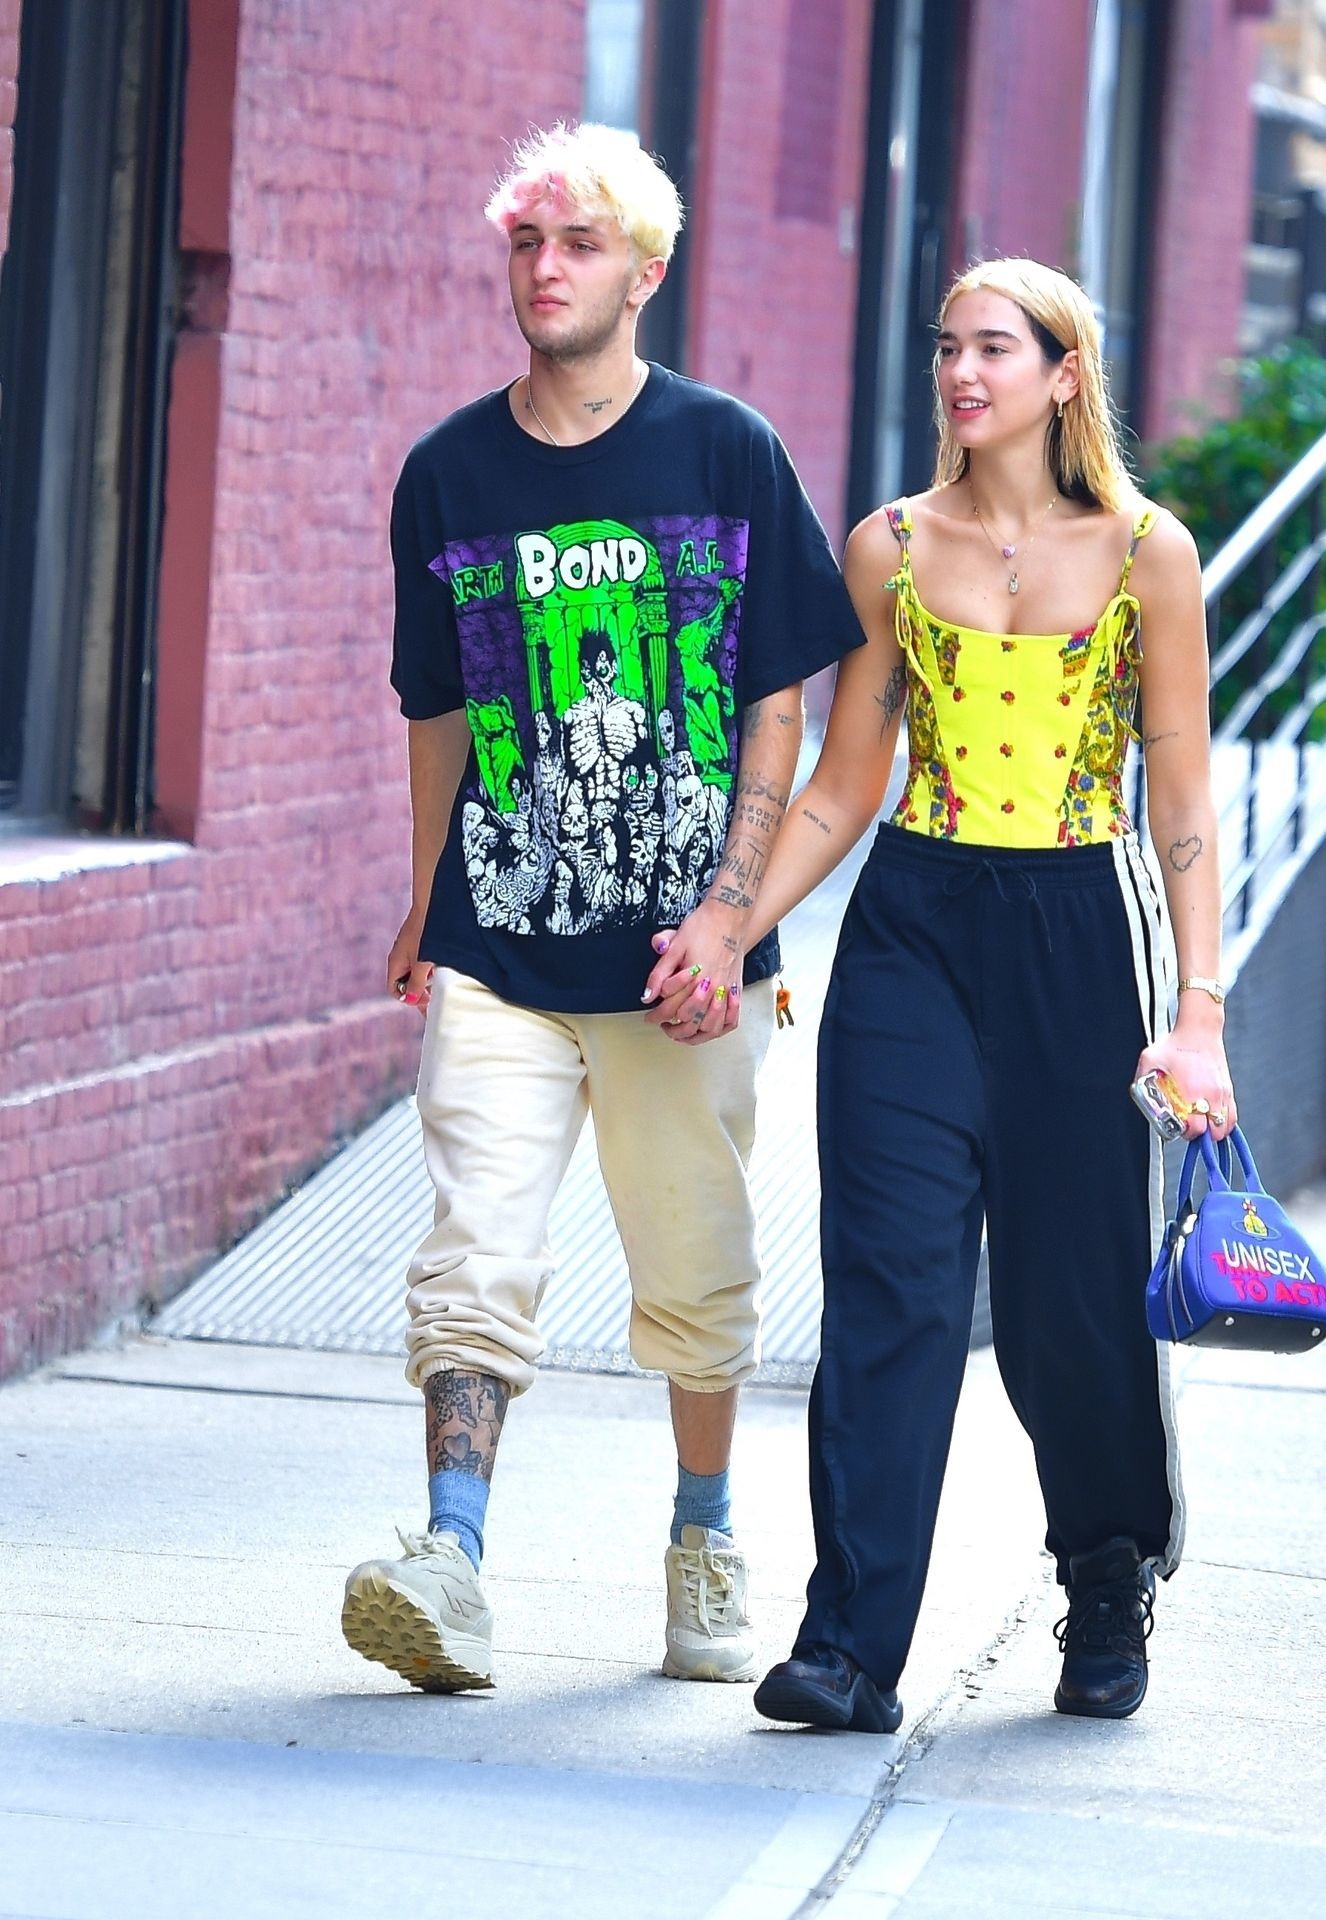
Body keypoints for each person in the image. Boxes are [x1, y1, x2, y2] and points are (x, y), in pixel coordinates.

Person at [646, 257, 1234, 1729]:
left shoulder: (1149, 552)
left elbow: (1181, 795)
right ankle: (849, 1647)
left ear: (1064, 374)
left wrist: (1200, 1013)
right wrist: (730, 921)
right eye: (948, 348)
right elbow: (845, 785)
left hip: (1083, 936)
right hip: (913, 926)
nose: (961, 373)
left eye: (994, 349)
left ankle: (1108, 1569)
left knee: (1067, 1304)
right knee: (891, 1290)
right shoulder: (890, 548)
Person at [340, 121, 863, 1694]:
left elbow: (778, 705)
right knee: (472, 1247)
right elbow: (438, 711)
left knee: (696, 1263)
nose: (545, 269)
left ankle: (704, 1533)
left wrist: (729, 915)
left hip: (679, 961)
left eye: (577, 245)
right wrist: (424, 897)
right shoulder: (447, 474)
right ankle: (451, 1558)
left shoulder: (726, 452)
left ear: (646, 271)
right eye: (526, 243)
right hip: (498, 939)